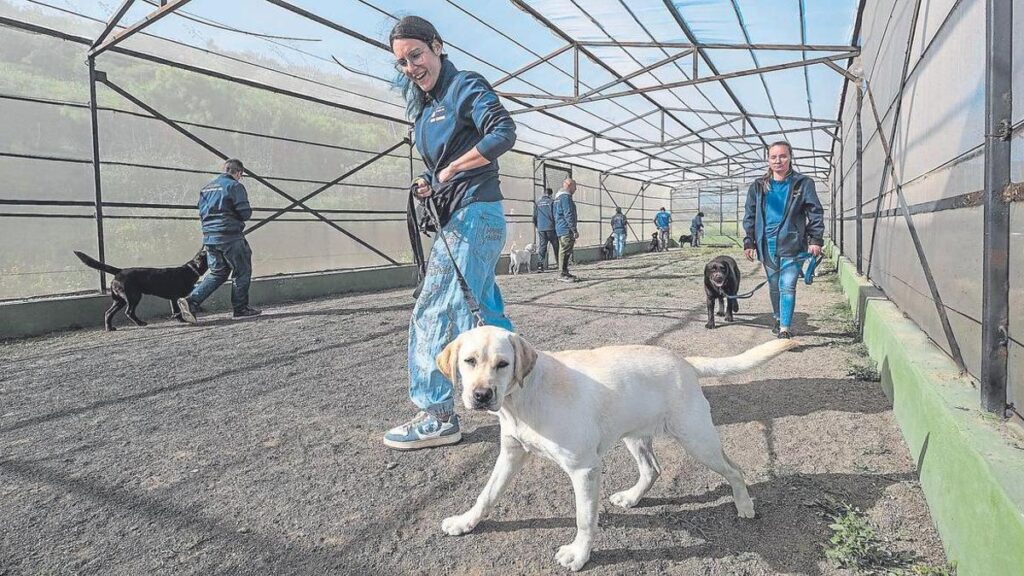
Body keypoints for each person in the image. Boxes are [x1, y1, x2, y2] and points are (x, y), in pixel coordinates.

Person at [383, 16, 517, 450]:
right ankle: (524, 391)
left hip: (474, 216)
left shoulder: (465, 87)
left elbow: (503, 131)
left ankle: (439, 415)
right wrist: (429, 180)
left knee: (433, 313)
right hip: (465, 216)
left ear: (438, 46)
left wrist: (454, 169)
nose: (410, 67)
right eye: (402, 62)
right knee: (487, 314)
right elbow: (440, 159)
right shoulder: (425, 107)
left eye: (416, 55)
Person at [743, 141, 825, 339]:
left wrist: (815, 239)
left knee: (787, 285)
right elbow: (750, 215)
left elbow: (815, 212)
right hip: (766, 243)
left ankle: (785, 328)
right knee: (774, 286)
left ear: (790, 157)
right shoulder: (758, 186)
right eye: (773, 157)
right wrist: (749, 241)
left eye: (782, 156)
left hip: (793, 243)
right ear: (768, 159)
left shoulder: (803, 183)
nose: (778, 160)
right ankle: (778, 317)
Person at [177, 158, 260, 323]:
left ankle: (192, 301)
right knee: (241, 271)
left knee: (218, 273)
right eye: (240, 175)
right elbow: (245, 213)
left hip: (210, 238)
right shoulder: (234, 186)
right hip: (230, 237)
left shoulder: (206, 189)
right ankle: (240, 308)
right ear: (238, 172)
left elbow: (201, 212)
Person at [552, 177, 580, 282]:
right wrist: (574, 229)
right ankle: (562, 273)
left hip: (560, 227)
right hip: (566, 228)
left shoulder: (557, 198)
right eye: (575, 186)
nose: (575, 189)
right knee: (565, 250)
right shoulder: (565, 198)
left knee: (565, 250)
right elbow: (568, 214)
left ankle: (565, 271)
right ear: (569, 185)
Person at [533, 187, 557, 272]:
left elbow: (535, 216)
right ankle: (559, 263)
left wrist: (537, 226)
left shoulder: (538, 203)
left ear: (544, 193)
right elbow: (555, 215)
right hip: (551, 227)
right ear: (550, 194)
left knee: (542, 246)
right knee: (555, 245)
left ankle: (540, 265)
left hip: (541, 228)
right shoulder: (552, 202)